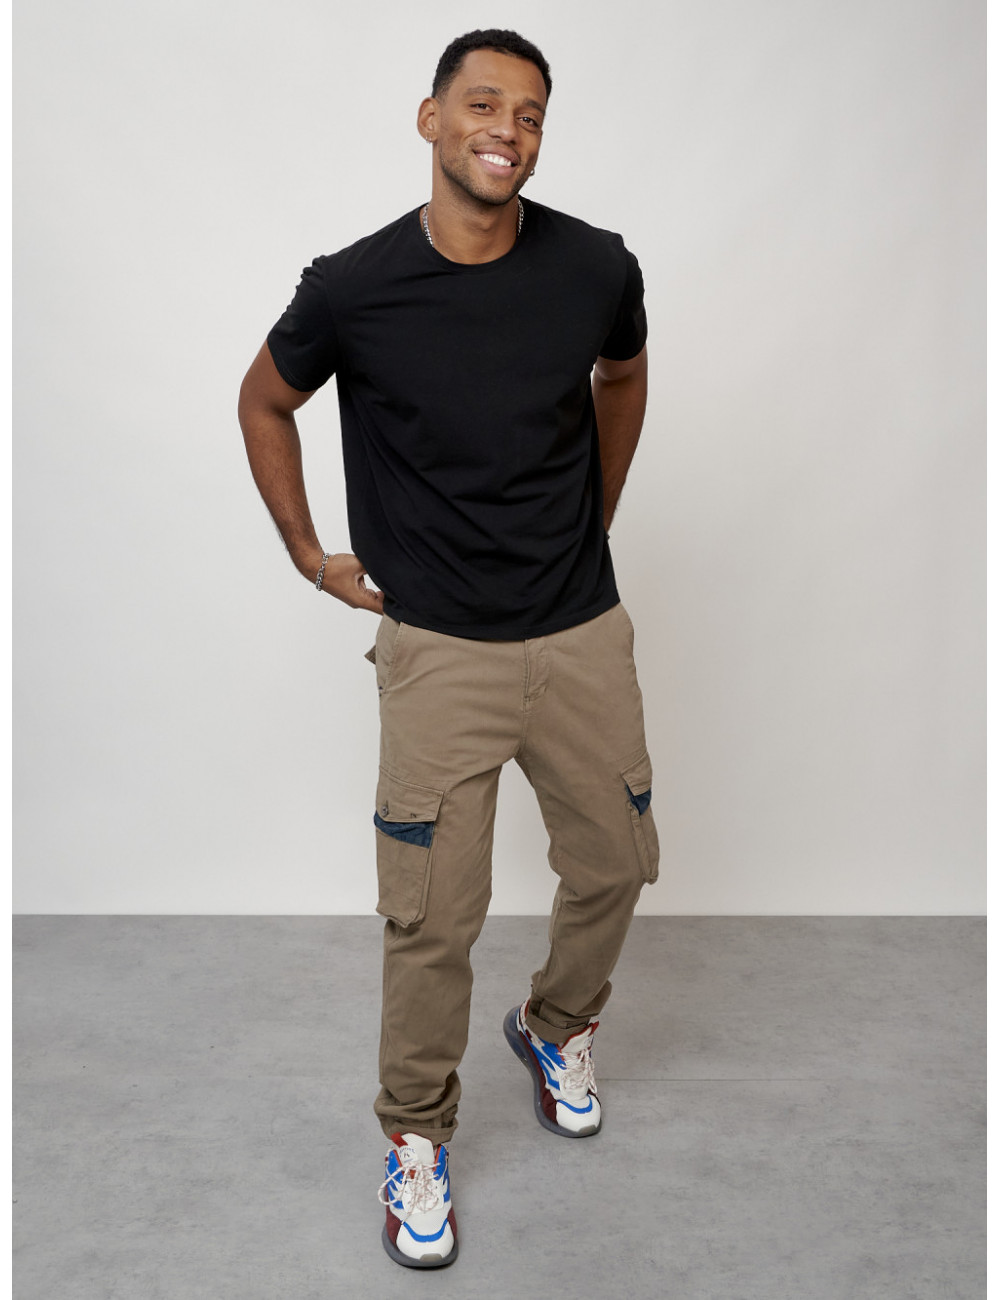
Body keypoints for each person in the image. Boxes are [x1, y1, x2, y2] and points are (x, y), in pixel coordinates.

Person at [238, 28, 659, 1271]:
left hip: (580, 630)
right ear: (430, 120)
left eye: (529, 115)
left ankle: (556, 1024)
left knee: (617, 862)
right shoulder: (353, 287)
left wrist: (594, 518)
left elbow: (623, 377)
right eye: (483, 105)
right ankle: (415, 1137)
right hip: (437, 653)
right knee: (433, 918)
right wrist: (309, 551)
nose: (506, 131)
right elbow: (264, 399)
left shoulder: (595, 265)